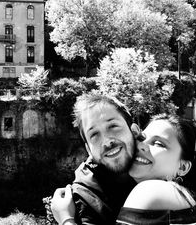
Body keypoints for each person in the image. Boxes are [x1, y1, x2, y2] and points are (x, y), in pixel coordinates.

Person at [52, 114, 196, 225]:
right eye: (141, 138)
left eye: (158, 143)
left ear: (182, 166)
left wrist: (65, 218)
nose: (142, 146)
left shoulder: (151, 191)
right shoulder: (190, 202)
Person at [54, 93, 140, 225]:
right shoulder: (84, 197)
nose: (106, 141)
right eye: (94, 134)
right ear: (89, 150)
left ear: (134, 131)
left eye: (113, 126)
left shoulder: (161, 163)